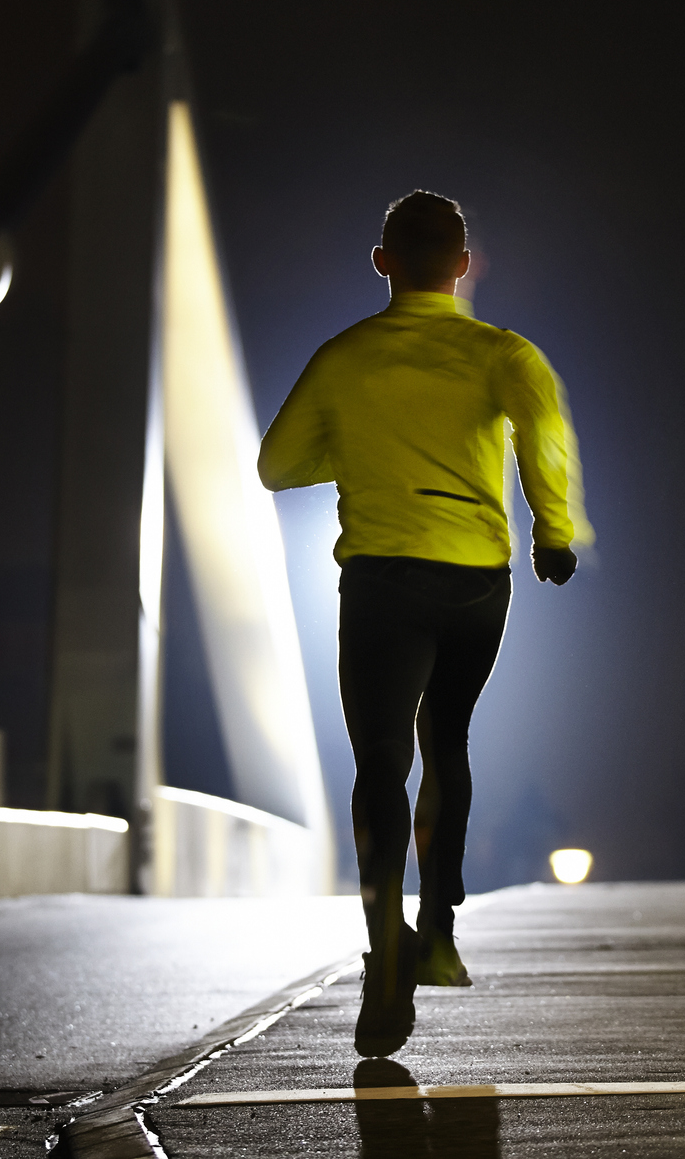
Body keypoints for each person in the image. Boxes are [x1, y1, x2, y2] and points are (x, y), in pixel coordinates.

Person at [258, 190, 591, 1056]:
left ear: (382, 263)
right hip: (477, 582)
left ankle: (383, 954)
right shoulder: (501, 354)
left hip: (381, 581)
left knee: (379, 766)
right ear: (463, 265)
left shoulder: (345, 358)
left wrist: (365, 445)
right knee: (449, 742)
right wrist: (552, 533)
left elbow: (276, 465)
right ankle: (439, 927)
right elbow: (542, 438)